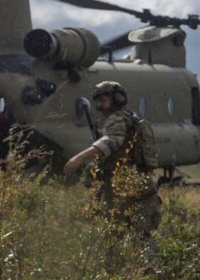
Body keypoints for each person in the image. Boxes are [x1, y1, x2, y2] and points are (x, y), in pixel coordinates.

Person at [63, 80, 161, 238]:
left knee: (116, 234)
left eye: (103, 100)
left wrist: (79, 158)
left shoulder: (116, 119)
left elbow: (110, 142)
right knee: (140, 235)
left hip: (124, 185)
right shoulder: (129, 118)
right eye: (97, 101)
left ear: (115, 99)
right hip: (138, 183)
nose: (99, 105)